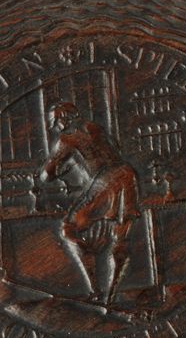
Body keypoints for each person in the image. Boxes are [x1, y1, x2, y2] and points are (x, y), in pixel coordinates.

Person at [40, 102, 140, 305]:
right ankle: (112, 295)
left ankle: (95, 289)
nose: (55, 128)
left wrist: (58, 170)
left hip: (106, 180)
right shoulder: (95, 127)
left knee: (69, 228)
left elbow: (47, 175)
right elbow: (116, 148)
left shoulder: (66, 139)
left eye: (55, 122)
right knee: (120, 235)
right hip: (128, 175)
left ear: (64, 119)